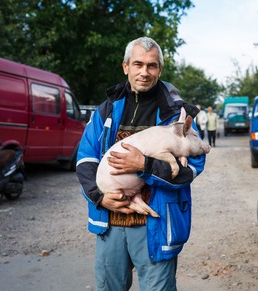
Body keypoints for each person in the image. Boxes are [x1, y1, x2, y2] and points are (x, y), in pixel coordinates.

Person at [76, 37, 207, 291]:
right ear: (126, 67)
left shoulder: (178, 114)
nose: (144, 72)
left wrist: (144, 164)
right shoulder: (106, 110)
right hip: (110, 220)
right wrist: (98, 197)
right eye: (138, 64)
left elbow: (193, 166)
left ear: (160, 69)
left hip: (156, 224)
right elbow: (86, 158)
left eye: (152, 66)